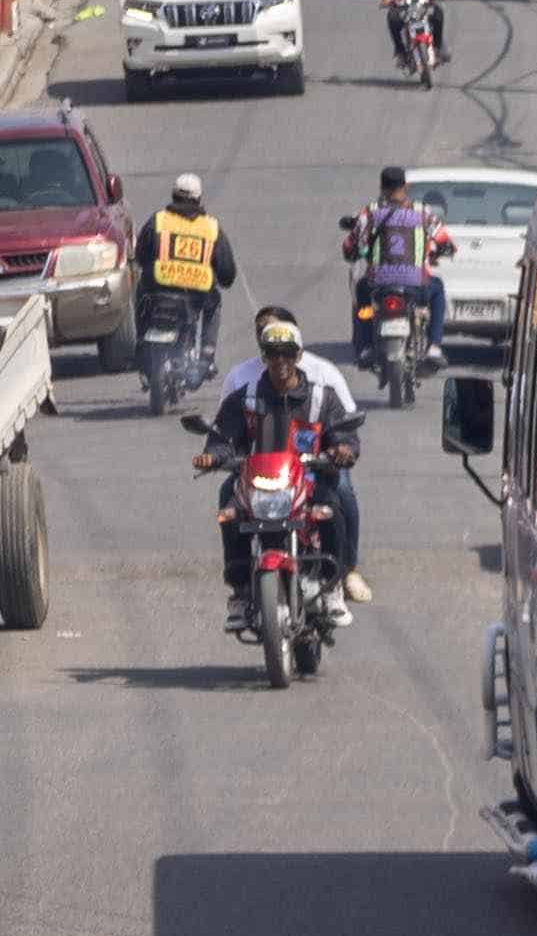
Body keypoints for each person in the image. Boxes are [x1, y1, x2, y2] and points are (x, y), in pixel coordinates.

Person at [199, 309, 362, 633]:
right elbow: (223, 437)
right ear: (264, 356)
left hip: (309, 480)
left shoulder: (321, 395)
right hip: (258, 482)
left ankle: (332, 587)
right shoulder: (244, 397)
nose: (280, 361)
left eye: (287, 354)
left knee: (333, 508)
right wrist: (213, 456)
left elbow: (345, 433)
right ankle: (241, 591)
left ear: (298, 355)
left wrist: (342, 450)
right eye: (273, 354)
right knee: (229, 510)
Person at [128, 171, 223, 377]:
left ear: (173, 196)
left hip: (158, 287)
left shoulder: (158, 221)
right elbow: (227, 271)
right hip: (197, 293)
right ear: (198, 199)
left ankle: (141, 340)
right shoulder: (211, 227)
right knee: (214, 303)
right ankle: (207, 355)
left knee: (141, 294)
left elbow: (141, 255)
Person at [338, 166, 435, 368]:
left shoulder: (370, 213)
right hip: (415, 283)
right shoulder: (423, 212)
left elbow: (351, 245)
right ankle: (434, 345)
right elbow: (443, 237)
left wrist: (353, 251)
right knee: (438, 291)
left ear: (382, 187)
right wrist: (444, 248)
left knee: (362, 299)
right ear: (405, 186)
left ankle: (365, 346)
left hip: (379, 283)